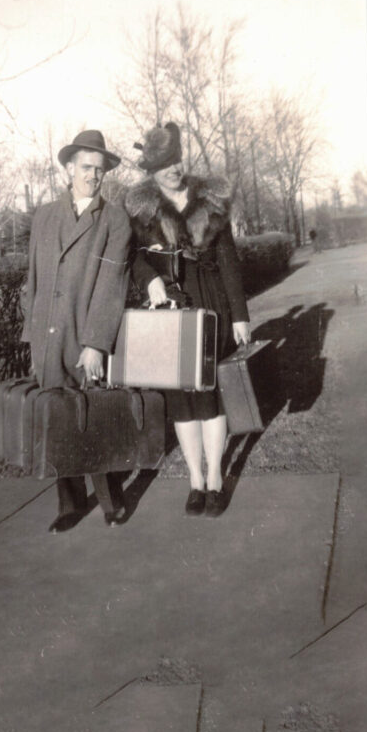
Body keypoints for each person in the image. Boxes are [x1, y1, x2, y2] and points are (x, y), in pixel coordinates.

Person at [125, 122, 251, 518]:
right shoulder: (140, 209)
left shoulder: (210, 200)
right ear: (151, 170)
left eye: (177, 160)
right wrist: (150, 282)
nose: (174, 170)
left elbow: (228, 259)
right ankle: (194, 480)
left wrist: (240, 316)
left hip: (212, 303)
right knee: (182, 400)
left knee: (210, 396)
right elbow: (133, 258)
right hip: (170, 312)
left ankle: (215, 478)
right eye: (164, 164)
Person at [21, 129, 131, 532]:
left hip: (85, 337)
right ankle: (70, 504)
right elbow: (33, 277)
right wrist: (31, 335)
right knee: (58, 420)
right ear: (69, 168)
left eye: (100, 170)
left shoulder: (114, 220)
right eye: (86, 167)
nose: (93, 176)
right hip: (48, 336)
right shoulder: (45, 216)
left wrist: (96, 344)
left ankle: (110, 500)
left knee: (92, 416)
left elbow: (110, 285)